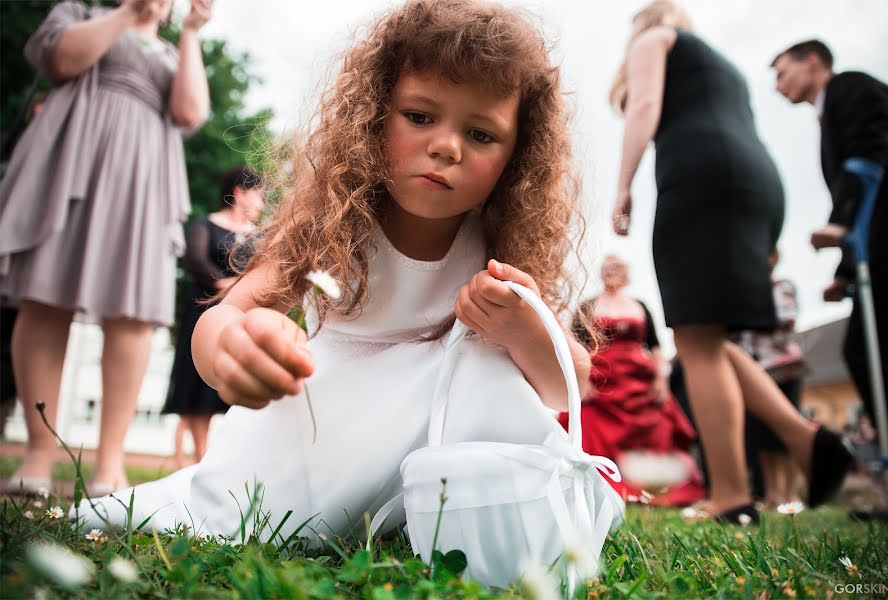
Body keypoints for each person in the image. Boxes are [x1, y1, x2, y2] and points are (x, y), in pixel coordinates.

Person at [74, 0, 608, 540]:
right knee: (238, 513)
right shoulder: (335, 224)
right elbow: (225, 316)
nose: (446, 146)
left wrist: (524, 330)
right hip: (319, 436)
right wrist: (232, 349)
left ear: (516, 158)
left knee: (484, 363)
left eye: (481, 135)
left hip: (428, 459)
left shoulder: (496, 252)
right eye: (420, 117)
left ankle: (469, 523)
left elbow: (571, 386)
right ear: (374, 117)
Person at [608, 0, 852, 522]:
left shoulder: (657, 41)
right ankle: (807, 441)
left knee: (694, 339)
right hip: (757, 187)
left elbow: (645, 105)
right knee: (710, 339)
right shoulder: (725, 69)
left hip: (701, 181)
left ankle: (732, 495)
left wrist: (623, 186)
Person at [0, 0, 212, 497]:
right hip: (68, 164)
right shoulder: (81, 12)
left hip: (140, 182)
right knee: (45, 300)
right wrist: (126, 13)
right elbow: (62, 60)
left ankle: (109, 466)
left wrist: (192, 33)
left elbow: (189, 111)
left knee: (133, 314)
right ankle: (38, 455)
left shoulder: (171, 49)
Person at [771, 40, 888, 478]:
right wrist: (845, 272)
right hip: (879, 249)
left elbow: (871, 153)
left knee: (876, 352)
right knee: (866, 350)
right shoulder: (828, 115)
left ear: (812, 61)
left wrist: (840, 222)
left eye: (782, 72)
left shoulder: (852, 88)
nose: (777, 85)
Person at [561, 255, 705, 506]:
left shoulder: (640, 305)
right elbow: (573, 345)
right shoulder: (587, 306)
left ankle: (652, 485)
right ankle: (598, 481)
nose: (610, 272)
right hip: (600, 379)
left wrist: (661, 380)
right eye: (606, 268)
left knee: (658, 427)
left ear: (627, 273)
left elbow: (655, 346)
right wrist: (581, 381)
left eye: (616, 267)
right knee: (590, 425)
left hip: (639, 381)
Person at [162, 166, 263, 468]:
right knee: (196, 387)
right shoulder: (205, 225)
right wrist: (233, 284)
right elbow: (196, 260)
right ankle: (200, 458)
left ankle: (223, 461)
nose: (262, 202)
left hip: (242, 318)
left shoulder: (261, 235)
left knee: (231, 387)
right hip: (202, 313)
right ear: (240, 193)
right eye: (259, 194)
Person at [734, 250, 805, 508]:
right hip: (754, 370)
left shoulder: (782, 287)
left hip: (783, 368)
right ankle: (772, 494)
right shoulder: (744, 291)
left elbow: (784, 320)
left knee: (785, 431)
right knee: (760, 435)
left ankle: (791, 494)